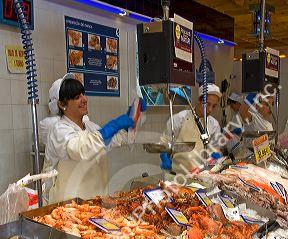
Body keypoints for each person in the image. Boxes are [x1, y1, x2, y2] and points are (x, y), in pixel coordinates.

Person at [41, 74, 146, 203]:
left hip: (95, 202)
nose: (84, 99)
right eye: (77, 97)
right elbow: (81, 150)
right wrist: (111, 127)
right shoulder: (59, 130)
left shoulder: (91, 127)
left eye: (83, 94)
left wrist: (132, 119)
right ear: (62, 104)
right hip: (68, 207)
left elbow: (115, 140)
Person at [160, 84, 222, 175]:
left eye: (214, 106)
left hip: (202, 175)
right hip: (177, 174)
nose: (209, 110)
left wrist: (215, 154)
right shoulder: (180, 118)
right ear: (199, 100)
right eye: (207, 104)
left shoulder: (214, 125)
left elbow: (215, 147)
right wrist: (164, 156)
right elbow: (165, 142)